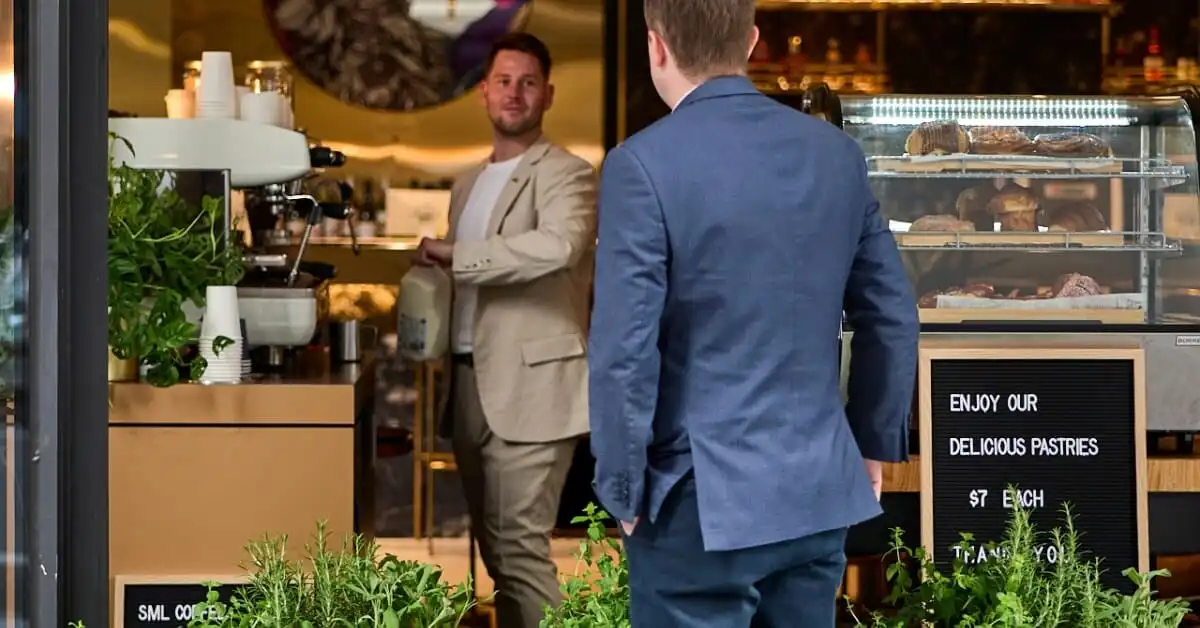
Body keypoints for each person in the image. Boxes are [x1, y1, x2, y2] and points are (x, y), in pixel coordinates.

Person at [587, 0, 920, 626]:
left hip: (696, 502)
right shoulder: (836, 155)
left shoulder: (641, 164)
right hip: (817, 490)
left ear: (656, 47)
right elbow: (892, 315)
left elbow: (623, 348)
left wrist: (623, 487)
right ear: (752, 41)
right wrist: (870, 445)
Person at [414, 32, 597, 628]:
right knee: (498, 552)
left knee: (519, 546)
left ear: (548, 95)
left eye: (527, 82)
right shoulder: (466, 184)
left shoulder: (568, 173)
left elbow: (560, 246)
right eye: (503, 80)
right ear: (483, 93)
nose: (514, 92)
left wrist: (456, 254)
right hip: (468, 383)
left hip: (536, 384)